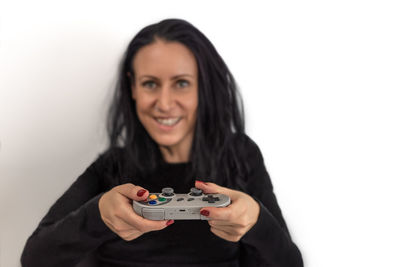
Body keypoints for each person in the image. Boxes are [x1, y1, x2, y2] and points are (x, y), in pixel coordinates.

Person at [21, 18, 303, 267]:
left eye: (181, 83)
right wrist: (98, 216)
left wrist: (256, 222)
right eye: (150, 84)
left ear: (203, 87)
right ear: (132, 87)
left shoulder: (240, 156)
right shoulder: (112, 166)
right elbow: (35, 259)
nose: (164, 104)